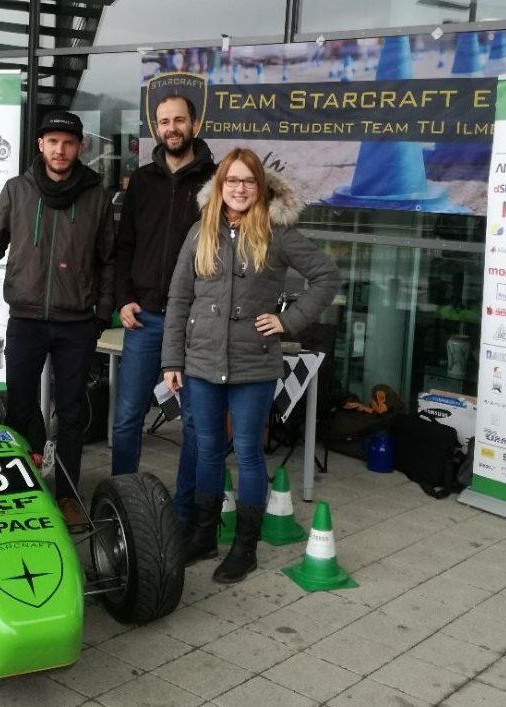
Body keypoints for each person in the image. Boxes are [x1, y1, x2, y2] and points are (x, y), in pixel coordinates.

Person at [162, 148, 340, 583]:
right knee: (206, 450)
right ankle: (204, 536)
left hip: (253, 365)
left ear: (260, 187)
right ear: (220, 185)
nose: (239, 189)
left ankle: (245, 548)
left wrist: (288, 321)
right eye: (232, 180)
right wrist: (171, 359)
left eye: (248, 181)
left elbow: (327, 277)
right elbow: (179, 298)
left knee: (247, 453)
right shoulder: (200, 232)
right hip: (202, 363)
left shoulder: (277, 232)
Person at [0, 110, 115, 529]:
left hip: (76, 323)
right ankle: (20, 488)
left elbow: (108, 261)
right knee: (21, 408)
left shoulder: (97, 197)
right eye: (53, 142)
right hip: (25, 319)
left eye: (68, 143)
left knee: (72, 413)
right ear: (41, 145)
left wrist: (101, 314)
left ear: (80, 147)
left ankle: (68, 495)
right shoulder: (17, 190)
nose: (60, 150)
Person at [111, 94, 216, 526]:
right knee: (126, 417)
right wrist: (122, 298)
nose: (171, 128)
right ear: (156, 128)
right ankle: (120, 506)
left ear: (195, 124)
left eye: (179, 120)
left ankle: (185, 514)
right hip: (146, 318)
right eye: (164, 121)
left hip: (195, 324)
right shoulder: (143, 180)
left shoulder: (216, 182)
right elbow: (124, 246)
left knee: (194, 423)